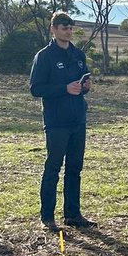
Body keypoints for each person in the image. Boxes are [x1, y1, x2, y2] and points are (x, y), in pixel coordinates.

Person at [29, 12, 92, 232]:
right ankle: (47, 216)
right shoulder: (44, 56)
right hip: (56, 121)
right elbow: (35, 89)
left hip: (77, 119)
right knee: (53, 168)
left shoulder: (77, 54)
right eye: (63, 27)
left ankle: (73, 214)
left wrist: (85, 86)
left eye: (70, 27)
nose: (68, 30)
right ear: (53, 29)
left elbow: (84, 77)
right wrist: (64, 89)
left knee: (75, 168)